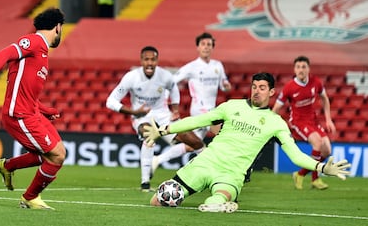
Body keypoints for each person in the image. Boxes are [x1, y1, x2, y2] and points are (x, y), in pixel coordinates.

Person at [143, 72, 350, 213]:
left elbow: (295, 154)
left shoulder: (275, 123)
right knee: (157, 201)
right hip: (204, 163)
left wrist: (322, 167)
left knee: (215, 200)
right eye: (253, 87)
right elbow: (198, 120)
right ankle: (223, 204)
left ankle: (221, 204)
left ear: (271, 92)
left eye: (262, 87)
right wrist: (163, 130)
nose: (256, 91)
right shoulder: (232, 106)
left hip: (231, 174)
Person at [0, 8, 66, 210]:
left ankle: (7, 166)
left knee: (56, 152)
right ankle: (29, 198)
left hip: (32, 113)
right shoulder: (34, 42)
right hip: (19, 115)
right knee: (55, 155)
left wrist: (45, 110)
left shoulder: (43, 52)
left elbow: (26, 92)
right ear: (57, 27)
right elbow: (3, 54)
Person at [106, 46, 204, 192]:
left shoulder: (165, 76)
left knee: (196, 142)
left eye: (153, 59)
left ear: (157, 61)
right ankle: (145, 183)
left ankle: (207, 172)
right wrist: (133, 111)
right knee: (149, 135)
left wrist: (175, 109)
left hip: (163, 115)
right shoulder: (131, 77)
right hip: (141, 117)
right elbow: (111, 101)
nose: (150, 63)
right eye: (146, 59)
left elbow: (174, 89)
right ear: (141, 61)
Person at [151, 32, 231, 172]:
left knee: (192, 144)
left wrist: (226, 86)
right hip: (200, 109)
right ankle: (222, 168)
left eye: (209, 45)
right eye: (203, 44)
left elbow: (223, 84)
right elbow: (171, 82)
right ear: (198, 47)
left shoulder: (218, 65)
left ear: (212, 48)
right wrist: (166, 102)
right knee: (224, 133)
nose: (206, 47)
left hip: (211, 108)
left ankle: (158, 159)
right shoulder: (191, 67)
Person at [272, 56, 336, 190]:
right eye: (298, 67)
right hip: (298, 121)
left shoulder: (316, 82)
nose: (301, 70)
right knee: (317, 142)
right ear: (294, 69)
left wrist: (328, 119)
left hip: (313, 120)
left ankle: (299, 174)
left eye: (304, 67)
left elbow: (324, 98)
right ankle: (315, 179)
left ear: (308, 69)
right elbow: (276, 108)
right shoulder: (289, 87)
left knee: (327, 150)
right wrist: (273, 126)